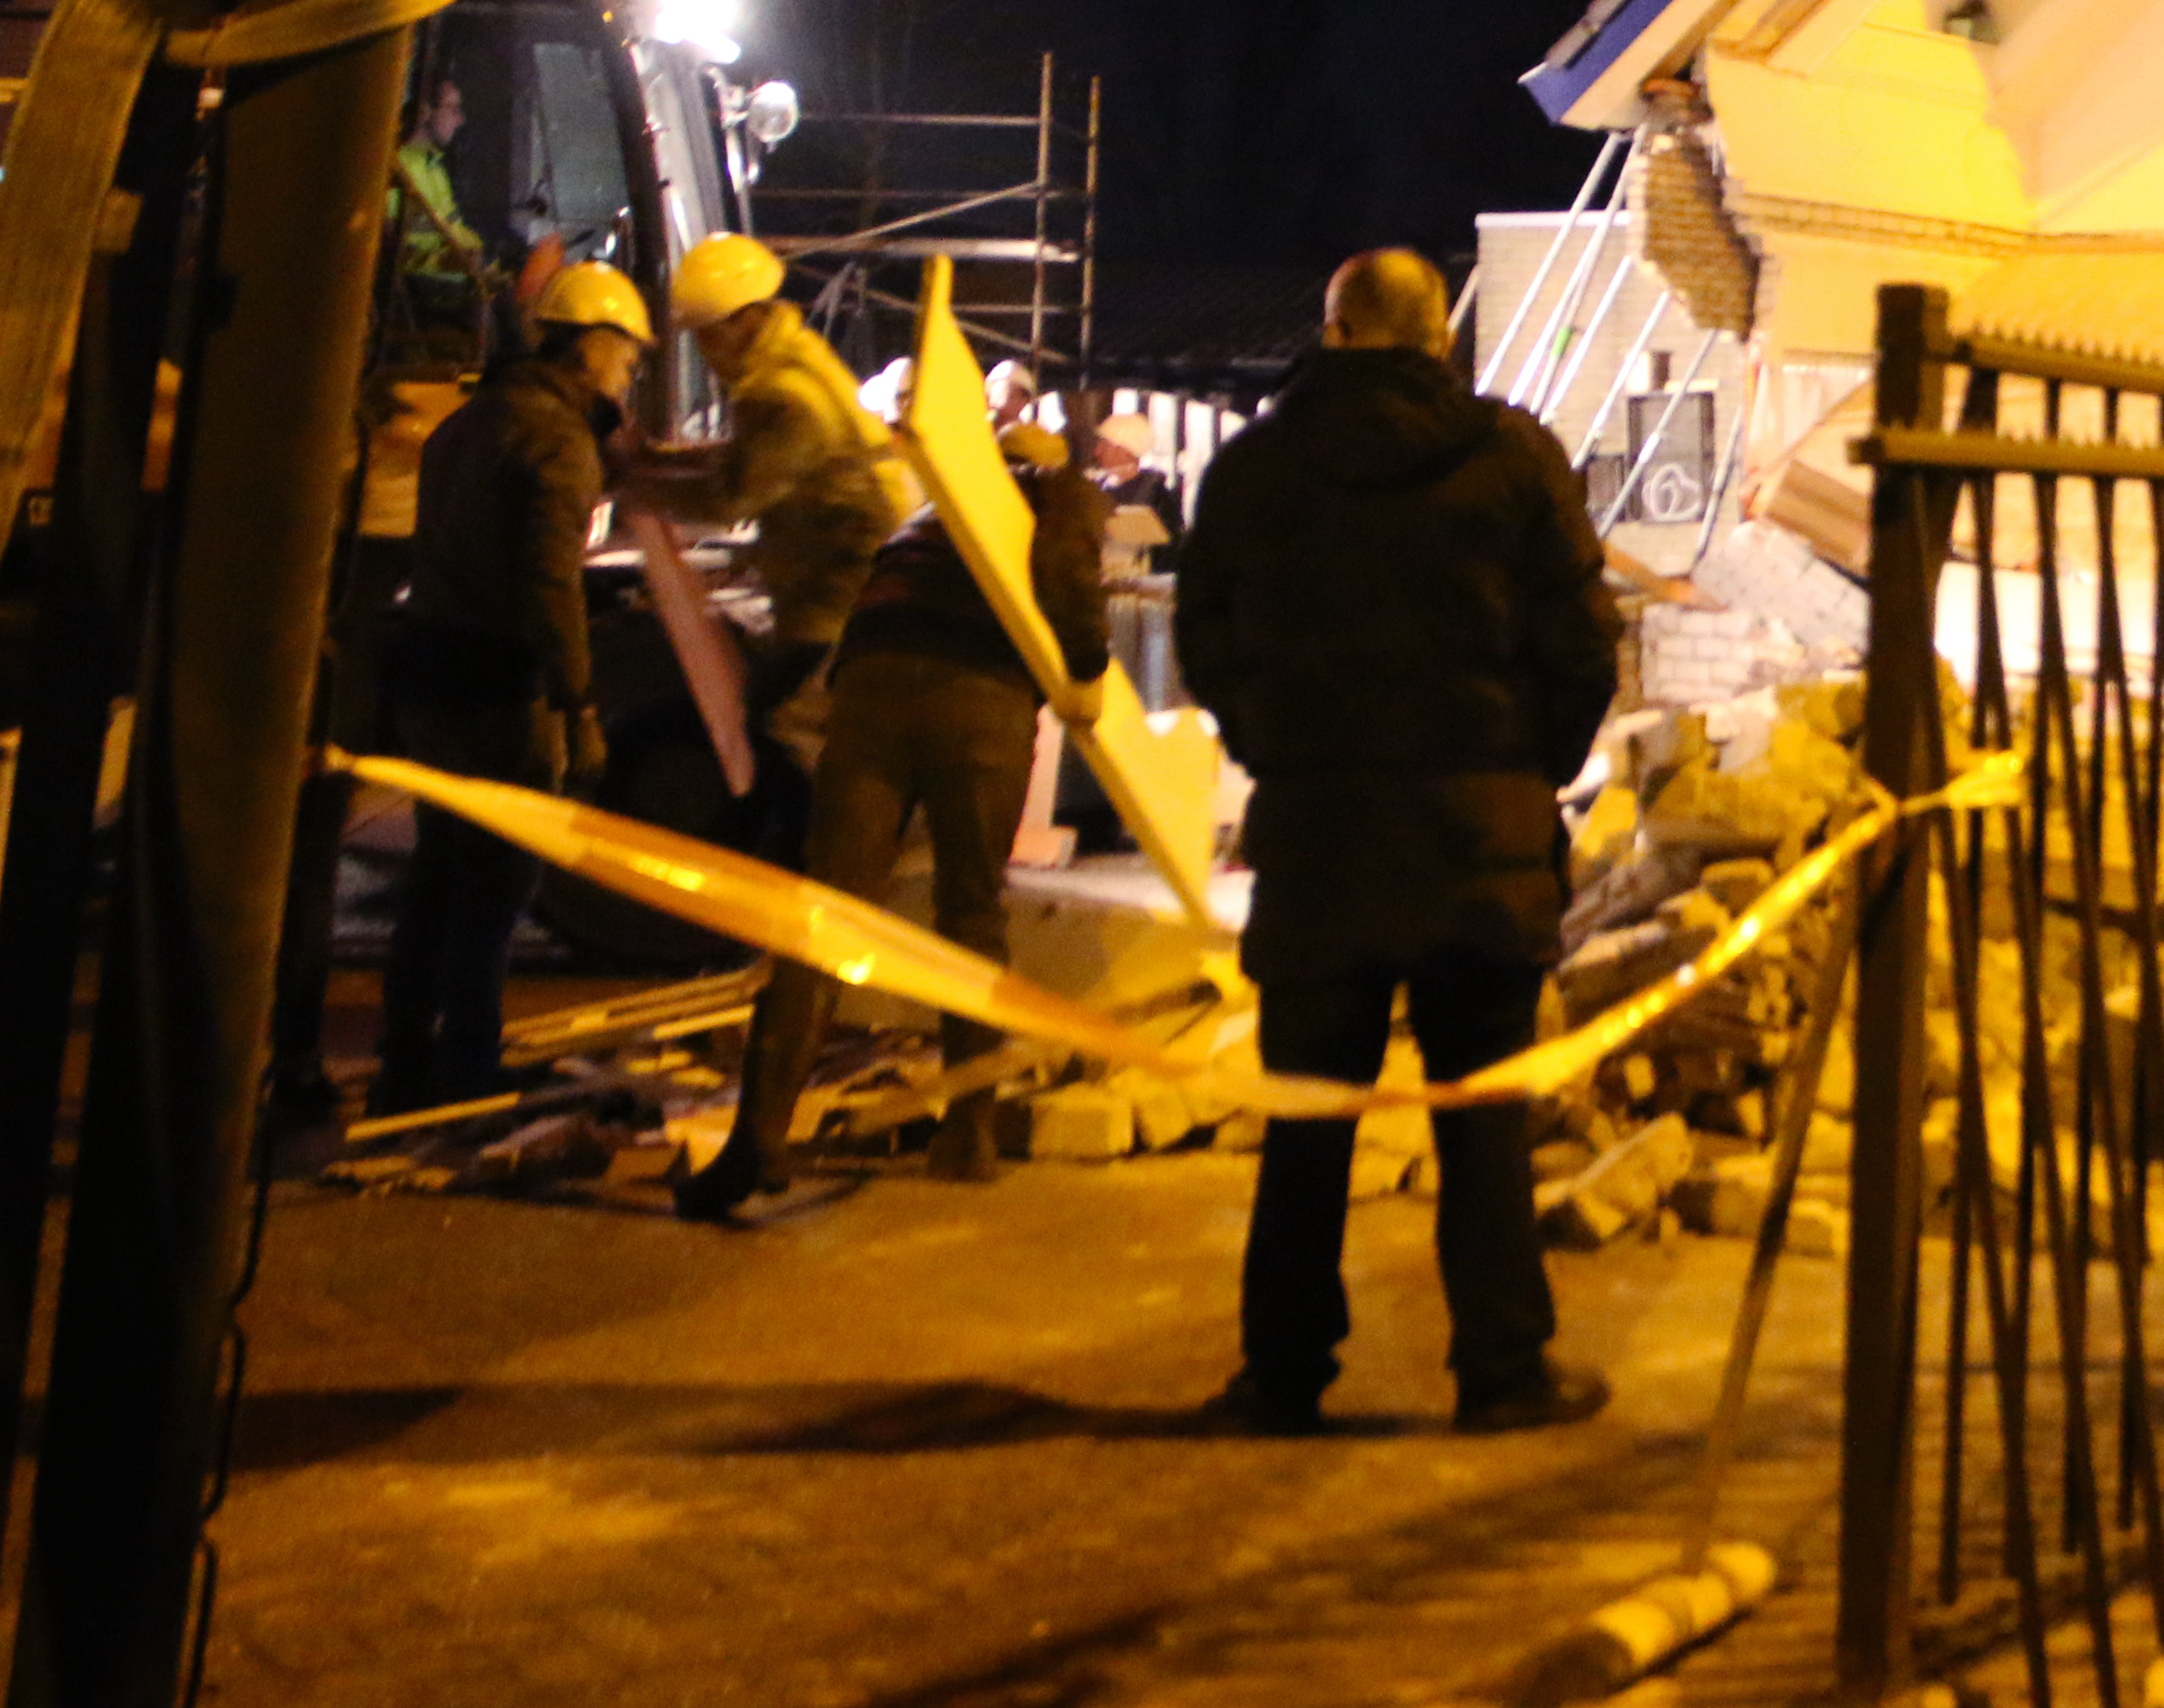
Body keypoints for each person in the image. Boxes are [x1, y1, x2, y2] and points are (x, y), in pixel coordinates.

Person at [1178, 247, 1621, 1435]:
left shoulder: (1257, 468)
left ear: (1334, 329)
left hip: (1322, 840)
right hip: (1479, 838)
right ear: (1438, 336)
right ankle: (1501, 1368)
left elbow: (1205, 639)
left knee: (1309, 1119)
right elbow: (1583, 640)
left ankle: (1281, 1376)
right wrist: (1531, 770)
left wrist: (1278, 745)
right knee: (1481, 1116)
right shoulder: (1511, 459)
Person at [676, 412, 1114, 1220]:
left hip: (870, 692)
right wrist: (1087, 666)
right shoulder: (1055, 491)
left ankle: (759, 1135)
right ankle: (969, 1129)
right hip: (978, 699)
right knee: (971, 913)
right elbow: (1065, 569)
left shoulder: (929, 507)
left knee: (828, 912)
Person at [371, 262, 648, 1110]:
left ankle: (405, 1065)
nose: (630, 375)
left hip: (428, 672)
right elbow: (549, 588)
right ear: (595, 350)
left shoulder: (467, 424)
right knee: (494, 889)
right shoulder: (558, 443)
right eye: (628, 360)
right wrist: (581, 706)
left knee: (438, 877)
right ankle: (468, 1072)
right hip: (496, 691)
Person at [621, 233, 914, 718]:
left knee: (770, 727)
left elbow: (731, 498)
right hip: (843, 581)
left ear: (741, 322)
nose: (706, 353)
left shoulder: (783, 395)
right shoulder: (796, 358)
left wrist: (636, 487)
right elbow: (752, 457)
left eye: (706, 335)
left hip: (834, 597)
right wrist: (661, 458)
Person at [385, 73, 492, 353]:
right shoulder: (399, 169)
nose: (460, 119)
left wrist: (483, 258)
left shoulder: (434, 166)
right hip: (423, 293)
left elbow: (453, 227)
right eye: (452, 109)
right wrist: (462, 262)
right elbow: (397, 246)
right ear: (425, 112)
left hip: (454, 281)